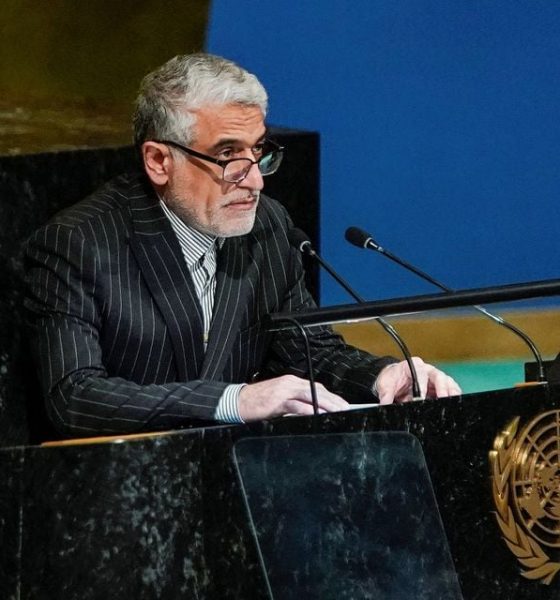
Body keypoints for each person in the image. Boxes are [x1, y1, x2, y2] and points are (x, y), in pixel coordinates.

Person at [24, 53, 461, 437]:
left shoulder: (267, 227)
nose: (253, 180)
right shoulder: (79, 244)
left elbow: (308, 351)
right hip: (122, 492)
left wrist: (381, 374)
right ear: (159, 161)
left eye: (258, 152)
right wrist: (235, 401)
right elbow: (76, 396)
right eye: (228, 155)